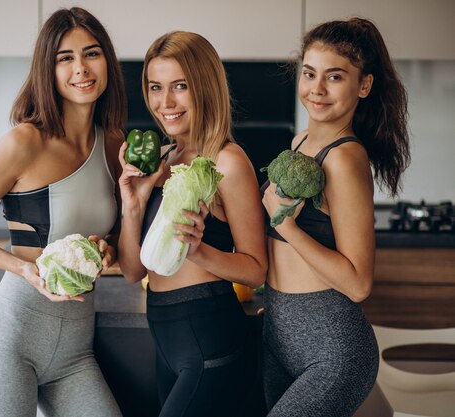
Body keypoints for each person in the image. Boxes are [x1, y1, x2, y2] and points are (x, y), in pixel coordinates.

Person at [0, 7, 126, 417]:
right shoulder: (25, 142)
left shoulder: (113, 143)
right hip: (10, 341)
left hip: (75, 353)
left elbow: (113, 234)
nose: (81, 68)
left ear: (107, 61)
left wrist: (107, 249)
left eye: (91, 54)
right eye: (65, 58)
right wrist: (22, 268)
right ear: (49, 68)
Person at [261, 17, 410, 417]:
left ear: (364, 85)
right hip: (280, 330)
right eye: (310, 74)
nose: (317, 89)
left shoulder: (344, 159)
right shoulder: (300, 143)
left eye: (335, 77)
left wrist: (286, 225)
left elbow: (359, 283)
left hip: (333, 348)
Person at [117, 31, 268, 417]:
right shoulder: (162, 157)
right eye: (155, 87)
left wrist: (199, 250)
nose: (165, 102)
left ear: (204, 88)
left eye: (179, 86)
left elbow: (255, 270)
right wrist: (131, 205)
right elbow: (134, 271)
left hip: (210, 343)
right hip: (166, 342)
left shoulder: (228, 161)